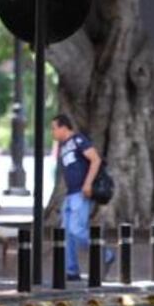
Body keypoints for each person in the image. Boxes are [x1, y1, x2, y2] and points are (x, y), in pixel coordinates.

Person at [51, 114, 110, 281]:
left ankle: (104, 253)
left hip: (81, 193)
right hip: (70, 194)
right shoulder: (63, 146)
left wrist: (88, 184)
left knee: (76, 229)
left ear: (64, 127)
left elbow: (95, 159)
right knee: (66, 232)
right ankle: (71, 270)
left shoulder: (78, 140)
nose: (53, 132)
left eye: (54, 128)